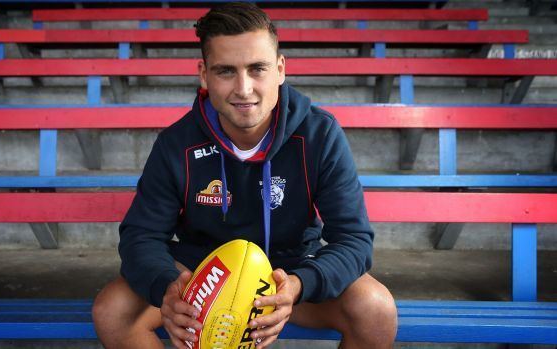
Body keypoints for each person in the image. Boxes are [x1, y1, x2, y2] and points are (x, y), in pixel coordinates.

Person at [92, 2, 397, 348]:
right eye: (225, 71)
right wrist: (168, 288)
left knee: (376, 309)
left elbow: (354, 239)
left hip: (288, 273)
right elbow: (141, 236)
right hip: (203, 277)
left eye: (257, 69)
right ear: (204, 74)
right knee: (112, 311)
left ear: (280, 69)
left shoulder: (319, 135)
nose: (244, 88)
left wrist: (299, 284)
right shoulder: (176, 143)